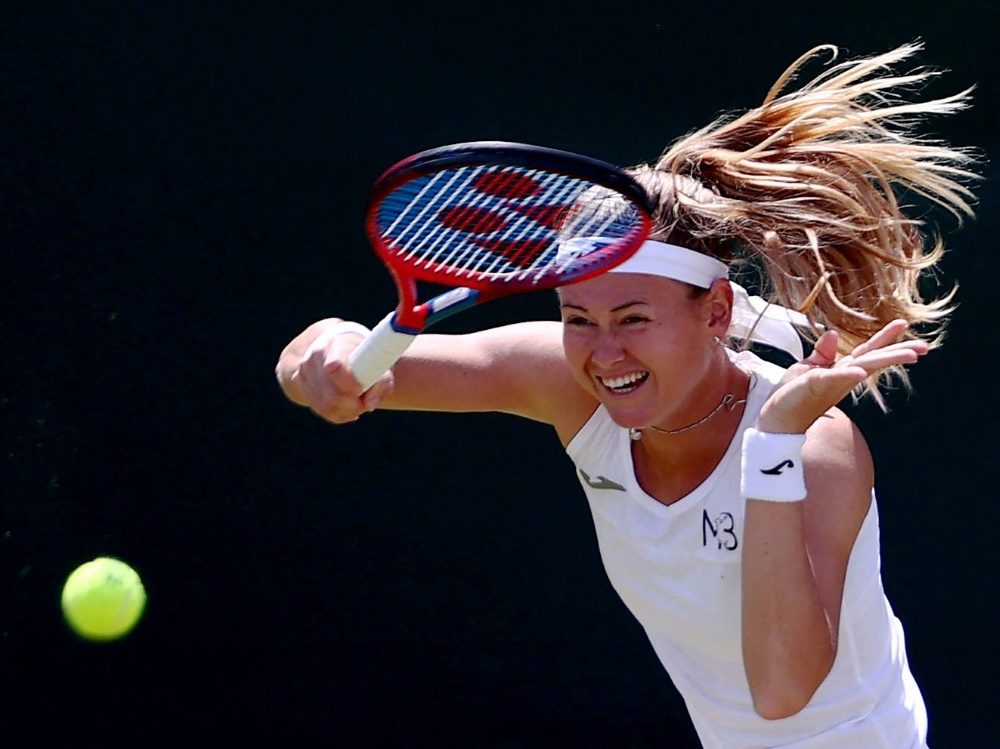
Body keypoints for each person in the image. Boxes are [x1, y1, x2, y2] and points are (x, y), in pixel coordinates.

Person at [275, 43, 978, 748]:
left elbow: (781, 690)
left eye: (634, 319)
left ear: (714, 312)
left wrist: (773, 447)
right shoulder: (567, 380)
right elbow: (346, 361)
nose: (604, 353)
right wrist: (325, 355)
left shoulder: (817, 448)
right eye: (578, 319)